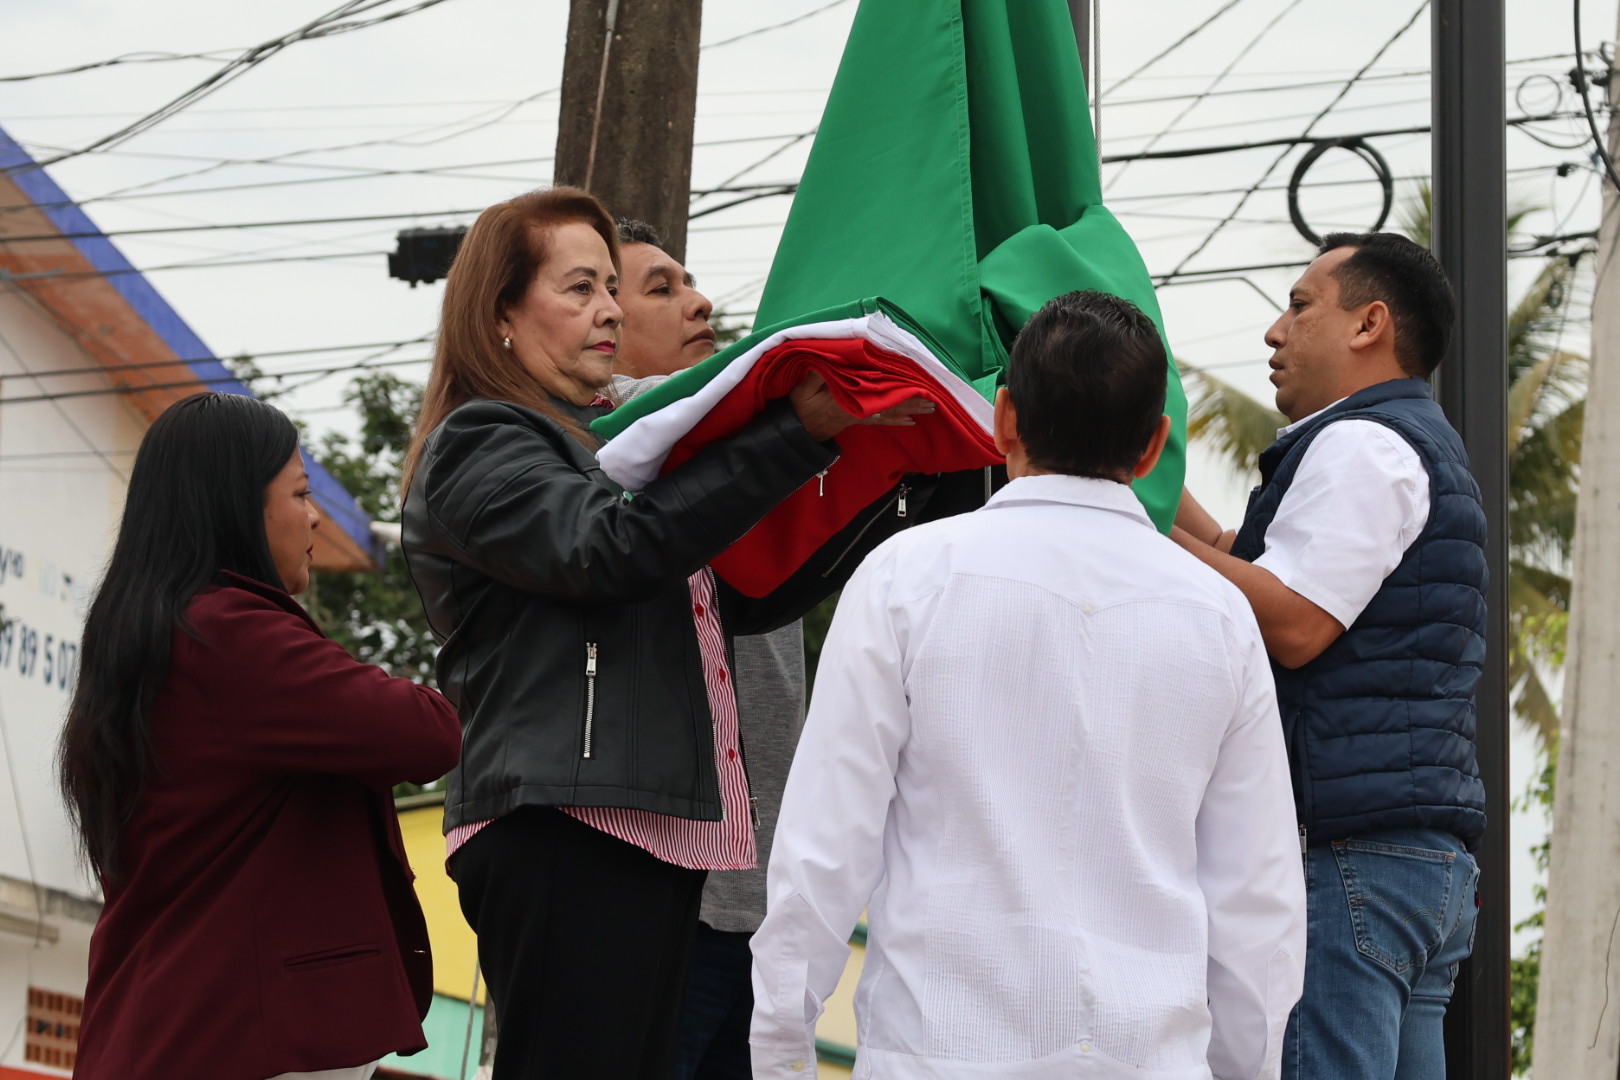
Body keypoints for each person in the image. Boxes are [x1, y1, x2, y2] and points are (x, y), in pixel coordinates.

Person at [399, 187, 931, 1080]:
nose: (606, 309)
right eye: (578, 289)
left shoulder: (605, 446)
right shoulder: (482, 440)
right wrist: (794, 433)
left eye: (611, 287)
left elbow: (742, 599)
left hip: (643, 829)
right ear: (497, 317)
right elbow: (610, 548)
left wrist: (871, 466)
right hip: (566, 825)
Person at [750, 290, 1307, 1080]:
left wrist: (780, 1053)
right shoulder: (1218, 615)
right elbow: (1258, 899)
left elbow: (821, 849)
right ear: (1155, 447)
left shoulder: (908, 578)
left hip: (936, 1055)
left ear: (1003, 418)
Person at [61, 392, 462, 1080]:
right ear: (237, 506)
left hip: (169, 1029)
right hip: (240, 1034)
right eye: (300, 493)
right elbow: (425, 733)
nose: (313, 517)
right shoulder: (230, 633)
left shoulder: (152, 639)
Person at [1172, 232, 1486, 1079]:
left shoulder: (1364, 446)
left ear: (1370, 324)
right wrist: (1150, 494)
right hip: (1409, 864)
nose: (1275, 332)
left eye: (1301, 305)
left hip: (1350, 863)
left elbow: (1296, 621)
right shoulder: (1404, 441)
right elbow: (1263, 563)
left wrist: (1142, 539)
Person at [608, 217, 807, 1080]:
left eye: (689, 281)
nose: (700, 302)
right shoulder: (588, 454)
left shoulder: (747, 447)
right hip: (660, 899)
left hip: (762, 897)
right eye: (663, 288)